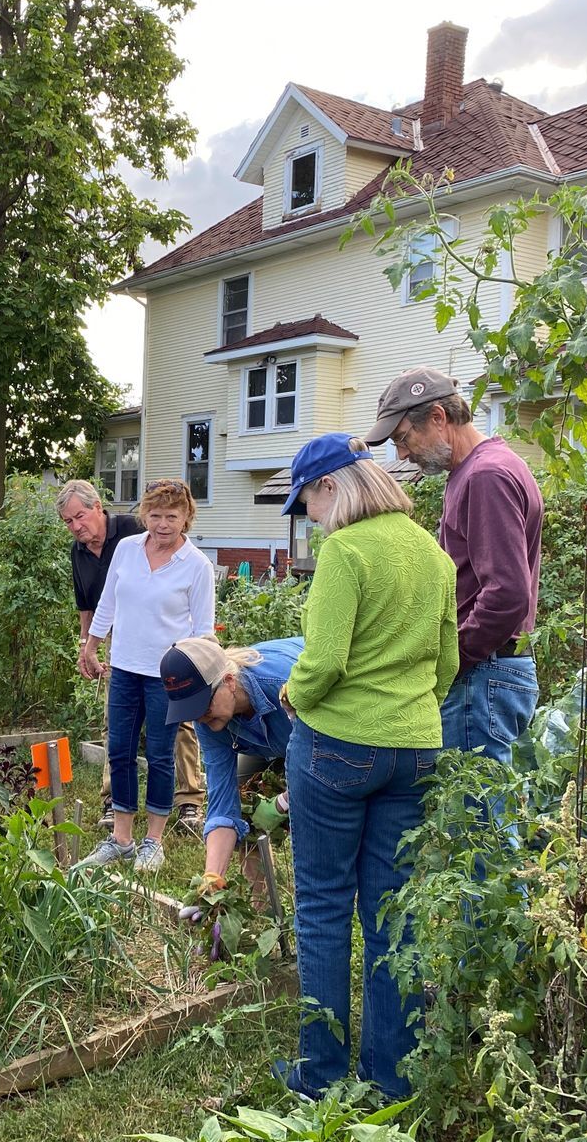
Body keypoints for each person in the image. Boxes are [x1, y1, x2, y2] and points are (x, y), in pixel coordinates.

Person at [276, 433, 458, 1100]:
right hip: (415, 750)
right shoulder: (433, 554)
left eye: (308, 503)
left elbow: (323, 661)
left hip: (337, 747)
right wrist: (414, 714)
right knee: (393, 917)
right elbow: (448, 664)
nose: (310, 518)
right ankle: (389, 1078)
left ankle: (319, 1078)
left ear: (332, 487)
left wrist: (293, 694)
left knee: (324, 909)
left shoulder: (345, 552)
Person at [365, 368, 543, 765]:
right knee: (486, 812)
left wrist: (455, 659)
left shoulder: (486, 475)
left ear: (438, 418)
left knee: (477, 818)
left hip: (484, 674)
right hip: (493, 672)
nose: (403, 454)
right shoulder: (479, 469)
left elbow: (506, 593)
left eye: (403, 438)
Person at [76, 478, 215, 874]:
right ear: (144, 516)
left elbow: (204, 632)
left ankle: (153, 841)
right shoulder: (127, 550)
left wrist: (193, 678)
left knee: (159, 754)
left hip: (166, 677)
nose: (163, 524)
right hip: (123, 668)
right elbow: (108, 602)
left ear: (186, 517)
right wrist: (90, 645)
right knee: (118, 750)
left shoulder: (197, 566)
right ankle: (121, 838)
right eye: (154, 515)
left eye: (172, 516)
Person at [160, 634, 304, 902]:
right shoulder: (210, 722)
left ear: (228, 681)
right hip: (267, 741)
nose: (199, 717)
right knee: (245, 802)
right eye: (189, 710)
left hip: (322, 731)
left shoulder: (285, 685)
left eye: (202, 705)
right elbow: (223, 804)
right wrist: (211, 879)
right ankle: (264, 911)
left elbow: (325, 762)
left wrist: (283, 803)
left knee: (313, 820)